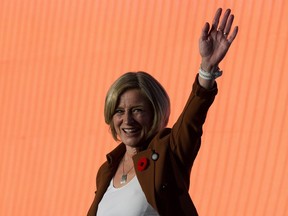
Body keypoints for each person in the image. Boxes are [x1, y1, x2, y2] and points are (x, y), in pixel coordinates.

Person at [88, 8, 238, 216]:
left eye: (137, 110)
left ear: (155, 112)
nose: (127, 120)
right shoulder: (106, 171)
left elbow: (191, 121)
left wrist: (207, 68)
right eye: (119, 111)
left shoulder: (168, 154)